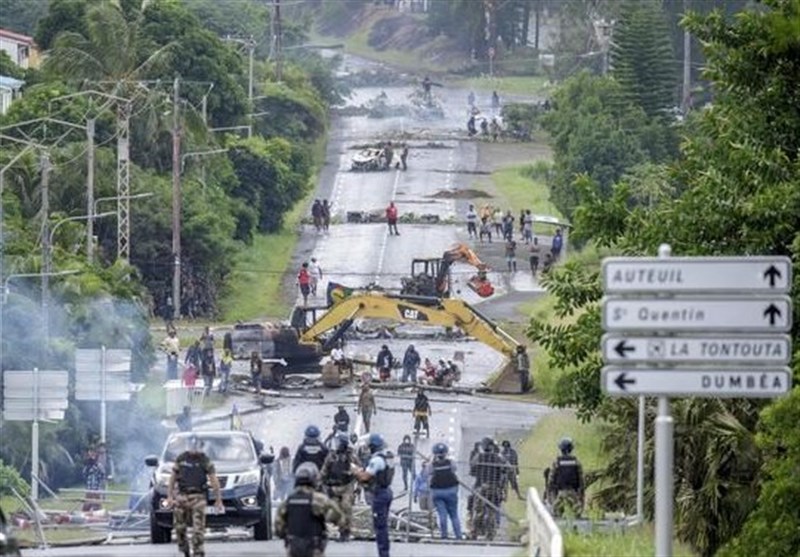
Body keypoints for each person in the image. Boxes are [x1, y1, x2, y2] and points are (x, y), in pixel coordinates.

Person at [166, 435, 223, 557]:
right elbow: (172, 478)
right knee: (179, 528)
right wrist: (170, 496)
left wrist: (218, 500)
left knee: (198, 530)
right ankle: (184, 548)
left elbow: (214, 480)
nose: (194, 449)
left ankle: (198, 552)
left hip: (198, 497)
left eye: (196, 446)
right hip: (182, 497)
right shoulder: (181, 459)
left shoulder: (204, 460)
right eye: (191, 445)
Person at [275, 462, 345, 557]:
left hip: (293, 548)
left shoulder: (288, 501)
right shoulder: (319, 499)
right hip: (314, 548)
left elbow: (278, 528)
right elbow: (338, 517)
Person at [354, 433, 395, 557]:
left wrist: (354, 471)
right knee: (383, 526)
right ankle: (385, 552)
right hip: (387, 491)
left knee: (380, 527)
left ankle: (383, 553)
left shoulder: (376, 459)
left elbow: (365, 476)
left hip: (379, 494)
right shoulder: (387, 457)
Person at [320, 433, 360, 541]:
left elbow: (358, 472)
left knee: (346, 508)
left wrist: (359, 486)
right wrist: (321, 483)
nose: (336, 445)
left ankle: (345, 532)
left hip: (347, 487)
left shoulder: (351, 456)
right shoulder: (332, 456)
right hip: (333, 487)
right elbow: (324, 470)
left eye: (338, 442)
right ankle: (339, 527)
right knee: (334, 511)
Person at [470, 437, 506, 541]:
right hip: (494, 487)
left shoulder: (478, 457)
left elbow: (472, 471)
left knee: (478, 511)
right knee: (491, 512)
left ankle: (474, 533)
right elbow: (505, 469)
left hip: (480, 486)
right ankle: (490, 535)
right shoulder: (498, 458)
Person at [544, 437, 585, 517]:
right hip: (573, 494)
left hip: (560, 494)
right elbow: (581, 481)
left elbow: (551, 481)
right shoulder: (576, 462)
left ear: (561, 449)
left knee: (555, 515)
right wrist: (580, 496)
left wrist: (550, 494)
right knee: (577, 515)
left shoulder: (557, 462)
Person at [430, 443, 462, 540]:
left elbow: (427, 473)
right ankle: (458, 536)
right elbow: (454, 469)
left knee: (442, 514)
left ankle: (444, 536)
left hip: (437, 492)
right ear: (446, 453)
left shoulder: (432, 465)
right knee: (454, 515)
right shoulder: (450, 463)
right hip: (451, 491)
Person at [82, 445, 106, 511]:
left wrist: (103, 493)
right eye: (90, 454)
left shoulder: (99, 466)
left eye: (93, 454)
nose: (91, 456)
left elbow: (103, 479)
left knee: (97, 508)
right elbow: (84, 476)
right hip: (88, 491)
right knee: (86, 507)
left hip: (96, 491)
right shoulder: (87, 467)